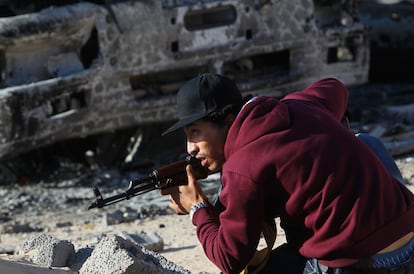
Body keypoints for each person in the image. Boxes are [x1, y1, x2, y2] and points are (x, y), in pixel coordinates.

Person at [160, 73, 414, 274]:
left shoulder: (242, 167)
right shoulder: (300, 105)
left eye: (195, 132)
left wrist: (198, 208)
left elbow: (229, 259)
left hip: (359, 264)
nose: (189, 148)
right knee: (365, 142)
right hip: (409, 242)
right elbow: (334, 86)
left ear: (228, 121)